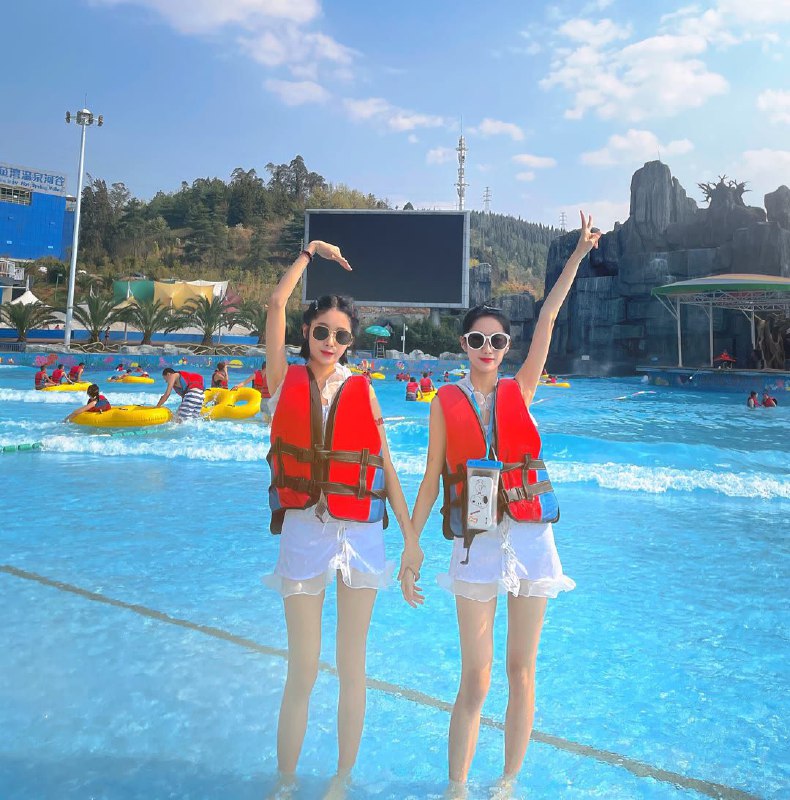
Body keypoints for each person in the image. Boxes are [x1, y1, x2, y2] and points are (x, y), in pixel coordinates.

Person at [409, 211, 600, 791]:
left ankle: (507, 784)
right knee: (476, 678)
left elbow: (549, 317)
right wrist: (411, 545)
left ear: (507, 346)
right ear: (464, 345)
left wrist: (577, 255)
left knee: (521, 670)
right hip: (476, 543)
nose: (487, 348)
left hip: (531, 539)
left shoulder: (523, 388)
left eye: (496, 340)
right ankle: (456, 788)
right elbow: (430, 478)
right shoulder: (444, 402)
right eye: (477, 340)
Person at [263, 240, 423, 794]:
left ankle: (341, 778)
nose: (330, 342)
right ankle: (285, 782)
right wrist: (309, 253)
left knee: (352, 666)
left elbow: (386, 467)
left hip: (360, 534)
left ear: (351, 343)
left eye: (341, 336)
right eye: (322, 332)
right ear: (307, 332)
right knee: (303, 668)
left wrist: (411, 539)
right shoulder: (282, 380)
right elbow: (275, 304)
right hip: (304, 532)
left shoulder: (363, 391)